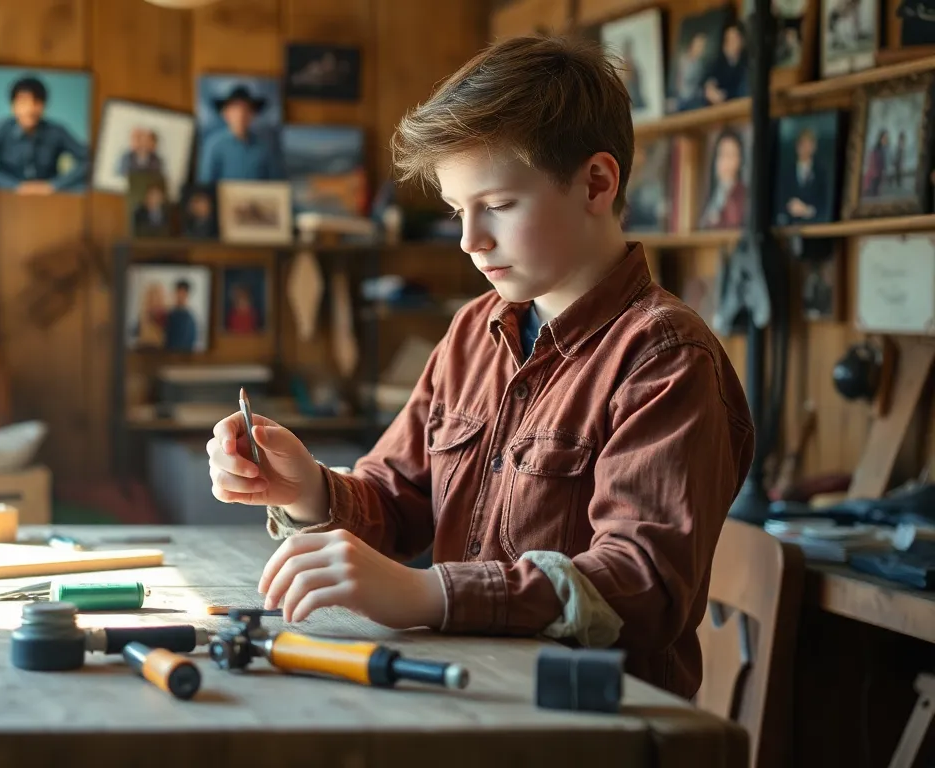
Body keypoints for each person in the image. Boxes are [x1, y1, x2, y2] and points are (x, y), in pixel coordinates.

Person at [203, 35, 753, 701]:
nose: (469, 240)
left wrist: (429, 593)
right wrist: (309, 491)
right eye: (458, 211)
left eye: (497, 204)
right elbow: (399, 500)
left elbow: (641, 583)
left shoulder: (664, 358)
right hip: (463, 696)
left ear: (596, 183)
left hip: (592, 726)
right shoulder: (473, 331)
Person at [0, 76, 90, 194]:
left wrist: (54, 186)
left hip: (48, 198)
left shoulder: (56, 131)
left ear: (44, 106)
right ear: (13, 106)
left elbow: (89, 160)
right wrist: (12, 186)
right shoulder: (2, 129)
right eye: (23, 102)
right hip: (7, 196)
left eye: (36, 102)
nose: (29, 109)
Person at [196, 84, 285, 184]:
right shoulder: (213, 146)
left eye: (246, 110)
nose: (241, 114)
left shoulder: (264, 149)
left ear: (253, 114)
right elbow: (205, 185)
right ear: (225, 113)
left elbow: (276, 185)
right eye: (235, 109)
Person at [699, 128, 748, 229]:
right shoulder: (710, 193)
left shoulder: (742, 194)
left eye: (731, 155)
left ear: (739, 161)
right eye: (722, 154)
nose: (726, 161)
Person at [778, 127, 826, 224]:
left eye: (809, 144)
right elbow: (779, 200)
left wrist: (807, 210)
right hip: (790, 224)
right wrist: (791, 208)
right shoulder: (786, 172)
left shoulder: (821, 172)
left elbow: (824, 205)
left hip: (815, 225)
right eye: (803, 144)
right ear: (797, 146)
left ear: (814, 147)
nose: (805, 148)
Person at [702, 23, 747, 105]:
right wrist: (710, 89)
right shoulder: (716, 63)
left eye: (735, 39)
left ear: (742, 41)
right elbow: (709, 83)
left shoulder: (747, 64)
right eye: (728, 39)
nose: (731, 43)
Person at [164, 280, 198, 352]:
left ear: (187, 295)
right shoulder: (169, 314)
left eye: (183, 293)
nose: (180, 296)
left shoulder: (189, 319)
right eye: (178, 293)